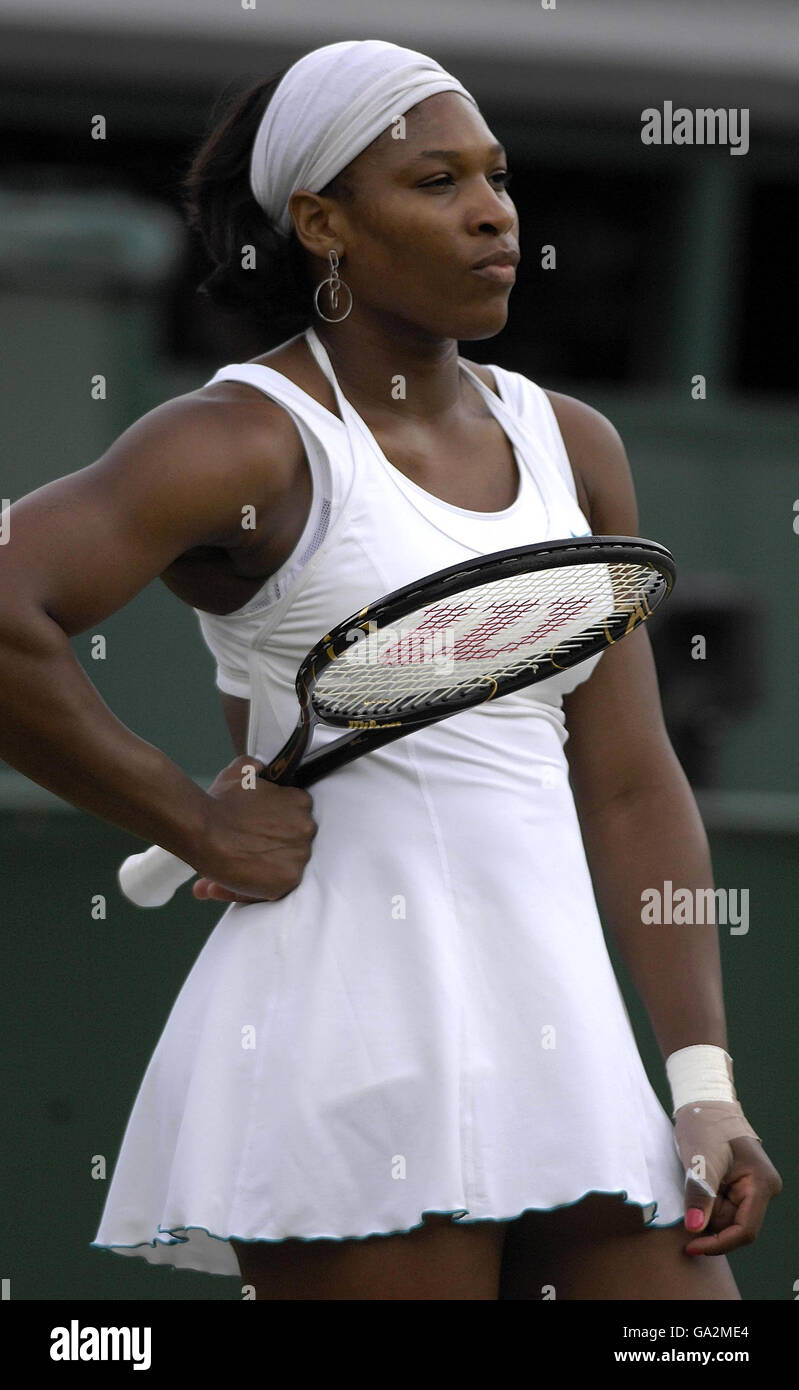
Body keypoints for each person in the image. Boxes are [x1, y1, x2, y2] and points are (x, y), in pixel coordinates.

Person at [0, 40, 780, 1301]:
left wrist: (702, 1086)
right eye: (434, 182)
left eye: (497, 178)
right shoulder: (238, 441)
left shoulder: (573, 443)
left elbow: (633, 783)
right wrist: (193, 816)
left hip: (566, 1042)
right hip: (348, 1042)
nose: (491, 213)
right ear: (323, 224)